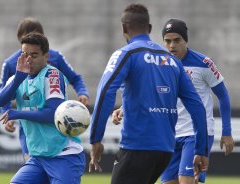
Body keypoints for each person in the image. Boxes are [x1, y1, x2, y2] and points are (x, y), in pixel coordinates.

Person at [88, 4, 209, 184]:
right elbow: (197, 106)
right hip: (165, 151)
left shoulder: (126, 54)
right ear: (150, 29)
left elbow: (106, 91)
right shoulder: (173, 61)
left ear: (124, 29)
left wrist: (96, 138)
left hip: (137, 147)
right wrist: (201, 150)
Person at [112, 19, 235, 184]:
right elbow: (150, 94)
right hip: (169, 135)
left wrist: (226, 132)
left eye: (177, 40)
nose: (171, 45)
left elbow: (223, 95)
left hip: (196, 133)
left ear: (186, 40)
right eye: (167, 41)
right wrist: (124, 108)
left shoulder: (204, 64)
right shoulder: (161, 64)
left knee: (187, 181)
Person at [0, 32, 85, 184]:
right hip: (38, 158)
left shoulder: (52, 76)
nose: (28, 60)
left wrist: (18, 113)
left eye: (34, 55)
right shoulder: (18, 77)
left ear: (46, 56)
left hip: (63, 155)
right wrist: (18, 78)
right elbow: (1, 100)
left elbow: (52, 114)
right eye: (24, 54)